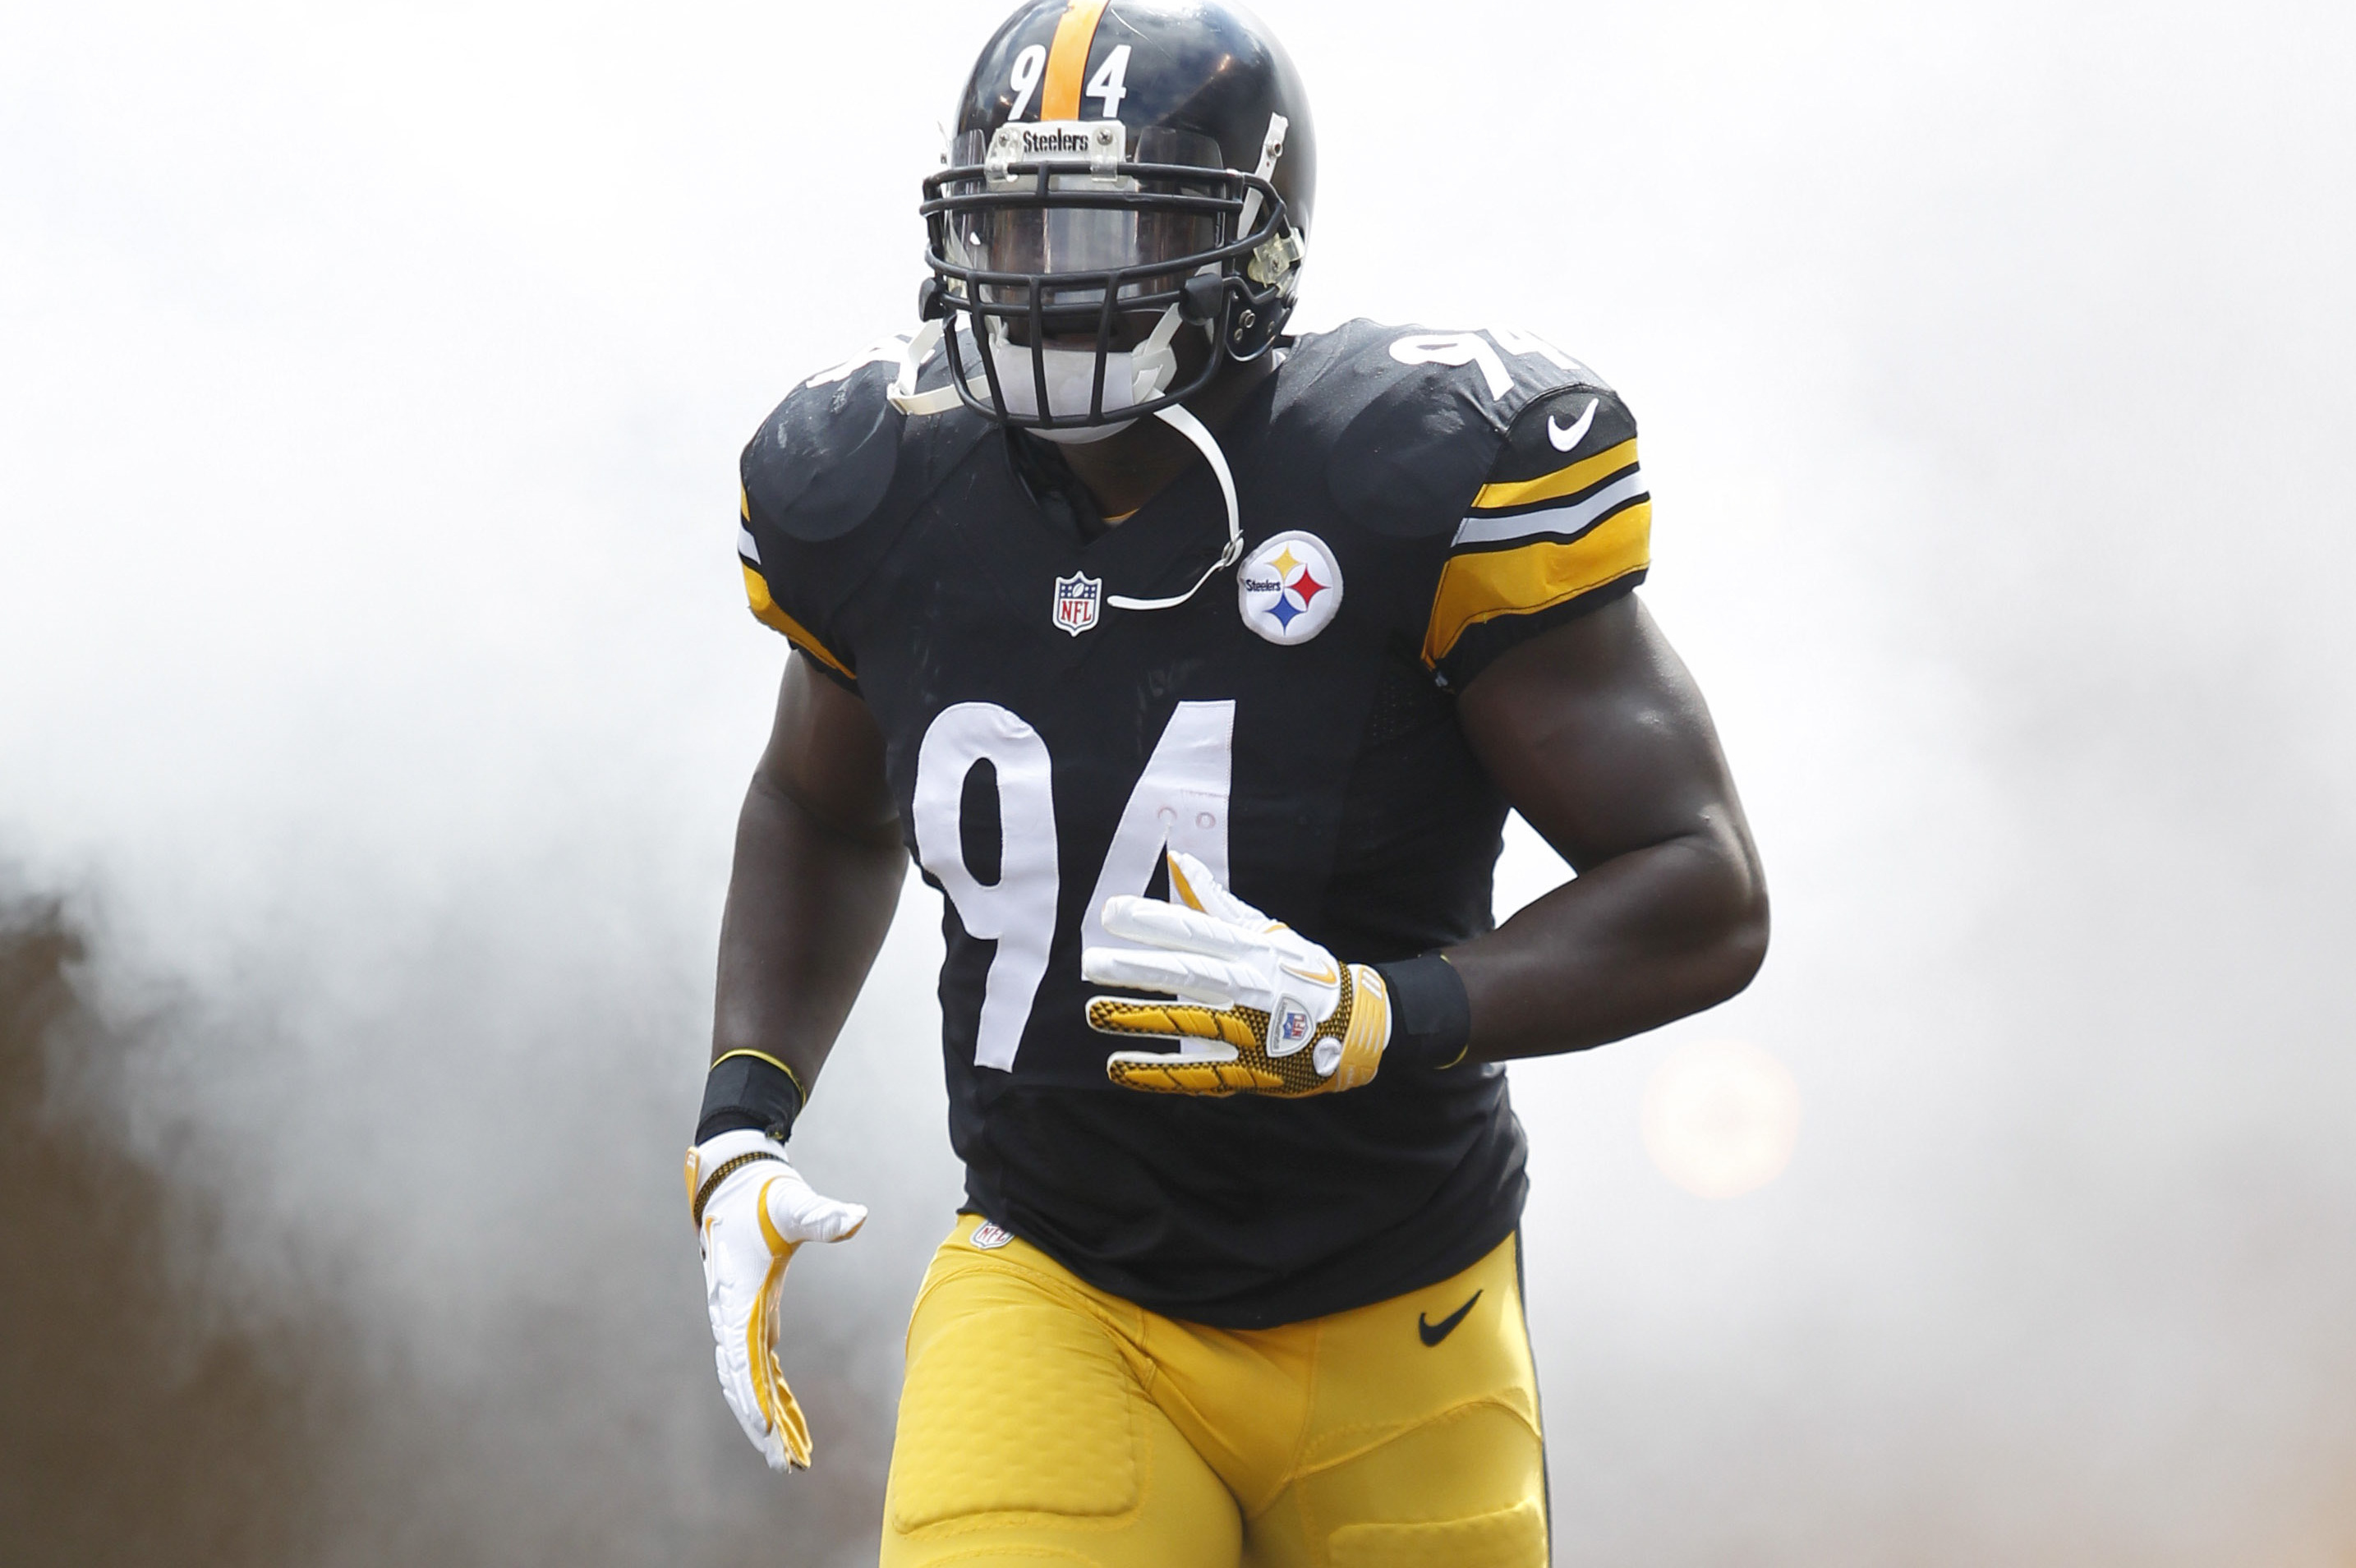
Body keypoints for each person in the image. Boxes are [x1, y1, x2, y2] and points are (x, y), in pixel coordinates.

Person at [684, 2, 1768, 1562]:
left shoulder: (1411, 468)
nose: (1053, 277)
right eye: (1016, 222)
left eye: (1108, 227)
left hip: (1401, 1300)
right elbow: (814, 801)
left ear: (1255, 241)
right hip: (1057, 1279)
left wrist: (1379, 1010)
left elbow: (1702, 887)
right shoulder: (877, 483)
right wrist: (740, 1119)